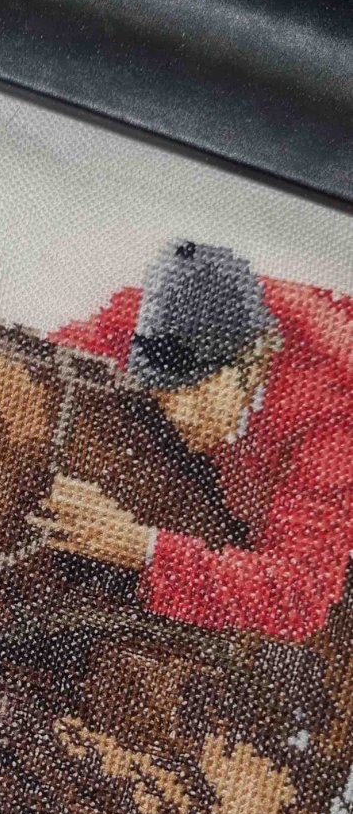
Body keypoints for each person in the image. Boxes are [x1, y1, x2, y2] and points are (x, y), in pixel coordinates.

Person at [45, 240, 353, 643]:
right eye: (163, 390)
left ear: (251, 364)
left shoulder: (332, 420)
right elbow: (53, 360)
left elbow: (297, 600)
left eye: (195, 390)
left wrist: (140, 547)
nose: (178, 413)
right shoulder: (157, 310)